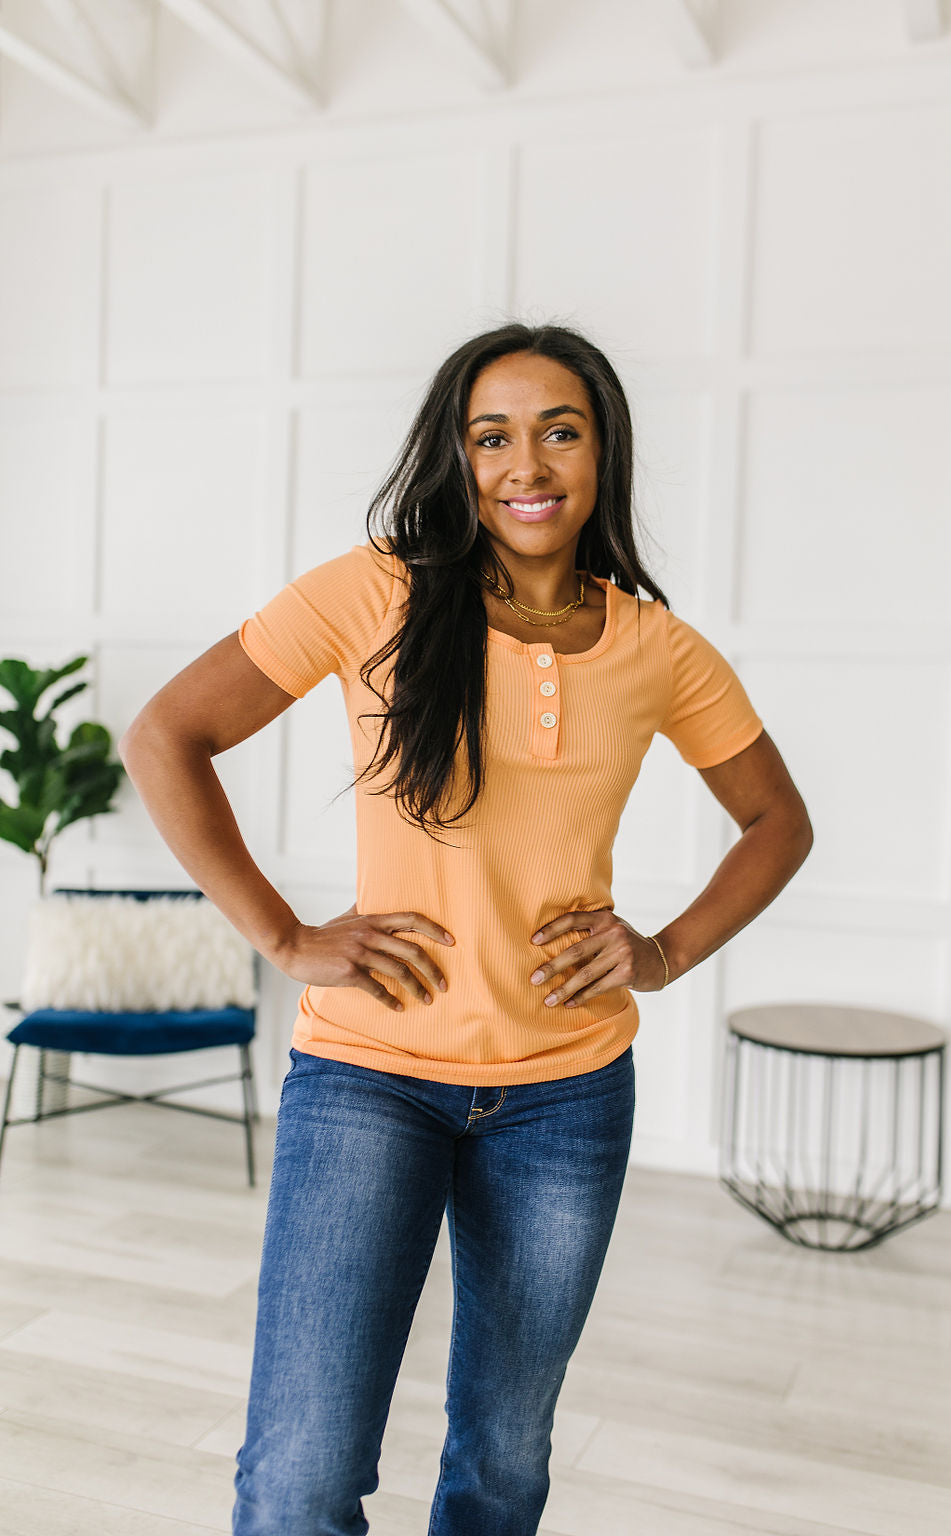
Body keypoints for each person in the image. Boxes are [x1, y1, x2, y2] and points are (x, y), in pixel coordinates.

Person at [119, 320, 813, 1536]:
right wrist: (283, 937)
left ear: (602, 451)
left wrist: (660, 952)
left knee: (502, 1460)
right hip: (368, 1079)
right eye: (491, 436)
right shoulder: (375, 590)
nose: (525, 465)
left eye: (558, 430)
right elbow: (167, 733)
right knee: (300, 1476)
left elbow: (775, 822)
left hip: (565, 1097)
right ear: (457, 454)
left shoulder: (657, 647)